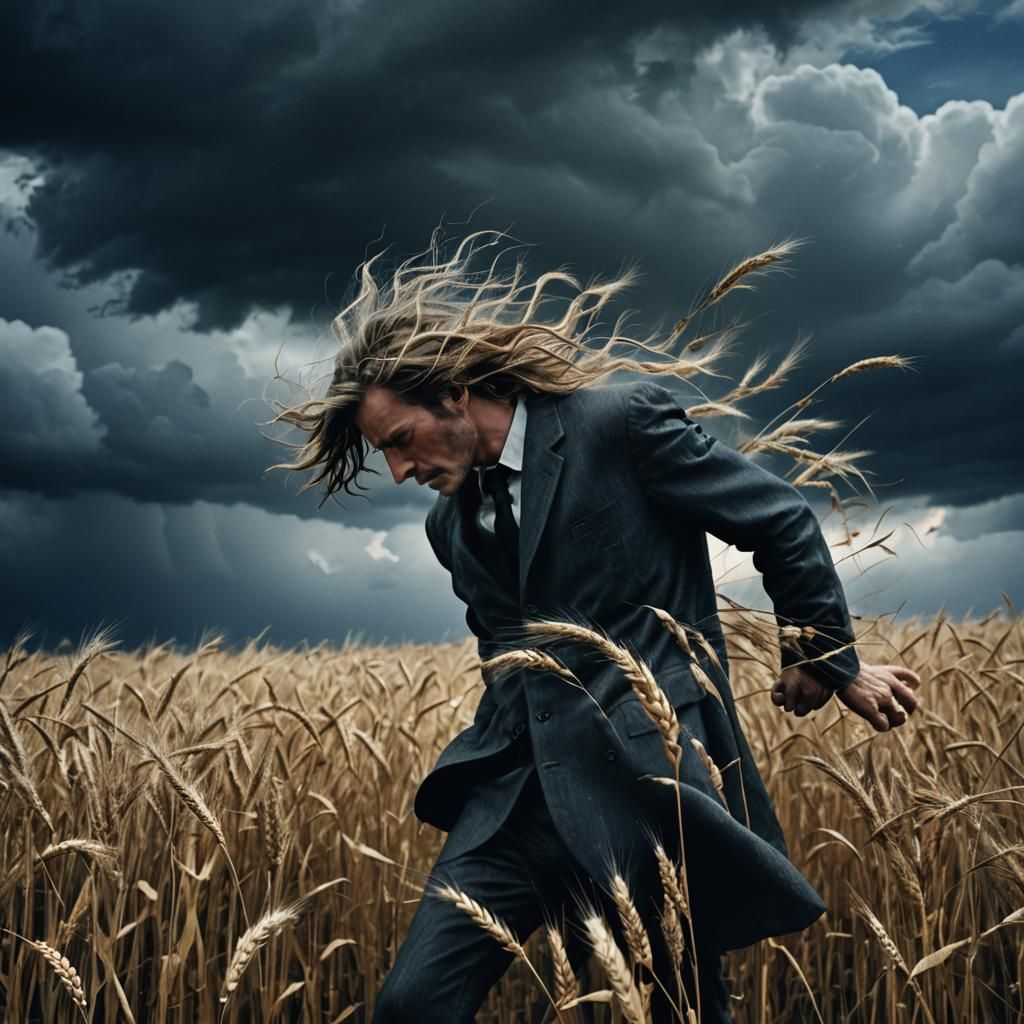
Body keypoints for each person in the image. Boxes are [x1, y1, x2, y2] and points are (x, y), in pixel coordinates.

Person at [272, 230, 922, 1022]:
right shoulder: (449, 528)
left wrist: (825, 657)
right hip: (512, 799)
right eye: (386, 457)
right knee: (411, 1005)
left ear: (450, 391)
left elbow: (778, 516)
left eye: (400, 442)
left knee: (676, 1007)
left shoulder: (617, 424)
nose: (401, 472)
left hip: (641, 785)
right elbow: (502, 652)